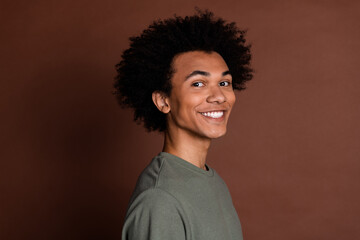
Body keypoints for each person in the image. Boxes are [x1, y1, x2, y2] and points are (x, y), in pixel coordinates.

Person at [114, 10, 253, 240]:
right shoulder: (160, 199)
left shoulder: (213, 181)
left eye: (224, 82)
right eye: (198, 83)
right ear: (163, 101)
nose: (219, 96)